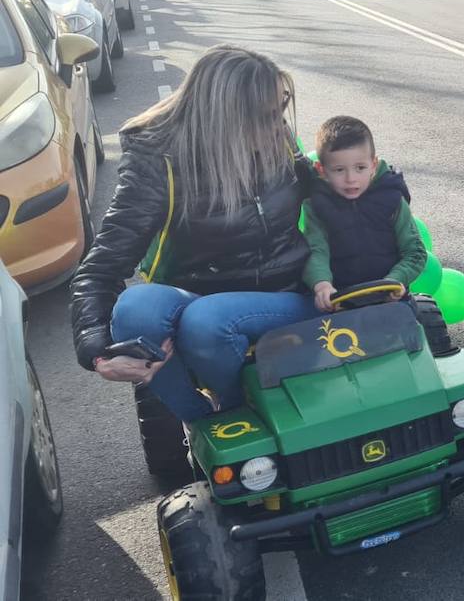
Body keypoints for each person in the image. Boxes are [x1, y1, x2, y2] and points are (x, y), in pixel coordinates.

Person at [69, 45, 317, 423]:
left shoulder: (276, 136)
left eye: (279, 112)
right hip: (198, 298)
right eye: (266, 116)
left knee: (209, 319)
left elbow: (331, 197)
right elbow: (99, 270)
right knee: (138, 309)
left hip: (285, 294)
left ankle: (244, 412)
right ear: (226, 118)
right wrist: (98, 352)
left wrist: (380, 188)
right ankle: (208, 422)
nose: (278, 124)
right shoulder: (158, 158)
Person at [303, 117, 427, 312]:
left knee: (420, 330)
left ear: (373, 165)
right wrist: (322, 284)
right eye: (339, 170)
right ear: (322, 170)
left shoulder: (392, 199)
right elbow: (315, 250)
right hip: (339, 301)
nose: (351, 179)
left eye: (360, 168)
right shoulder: (317, 205)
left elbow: (415, 251)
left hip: (391, 298)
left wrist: (396, 279)